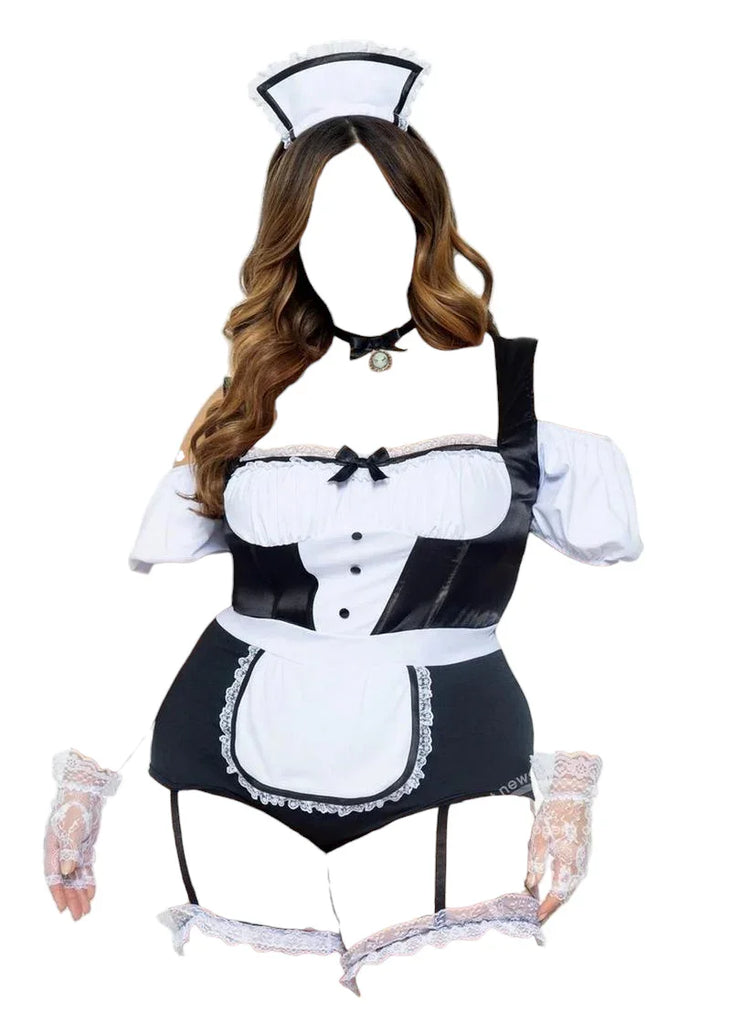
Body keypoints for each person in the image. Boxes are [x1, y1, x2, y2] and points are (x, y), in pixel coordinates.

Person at [43, 42, 643, 995]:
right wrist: (86, 775)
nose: (351, 251)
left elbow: (613, 610)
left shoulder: (515, 387)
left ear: (426, 220)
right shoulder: (250, 397)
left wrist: (570, 780)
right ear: (287, 238)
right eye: (320, 226)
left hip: (459, 774)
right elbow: (156, 610)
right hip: (217, 771)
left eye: (382, 220)